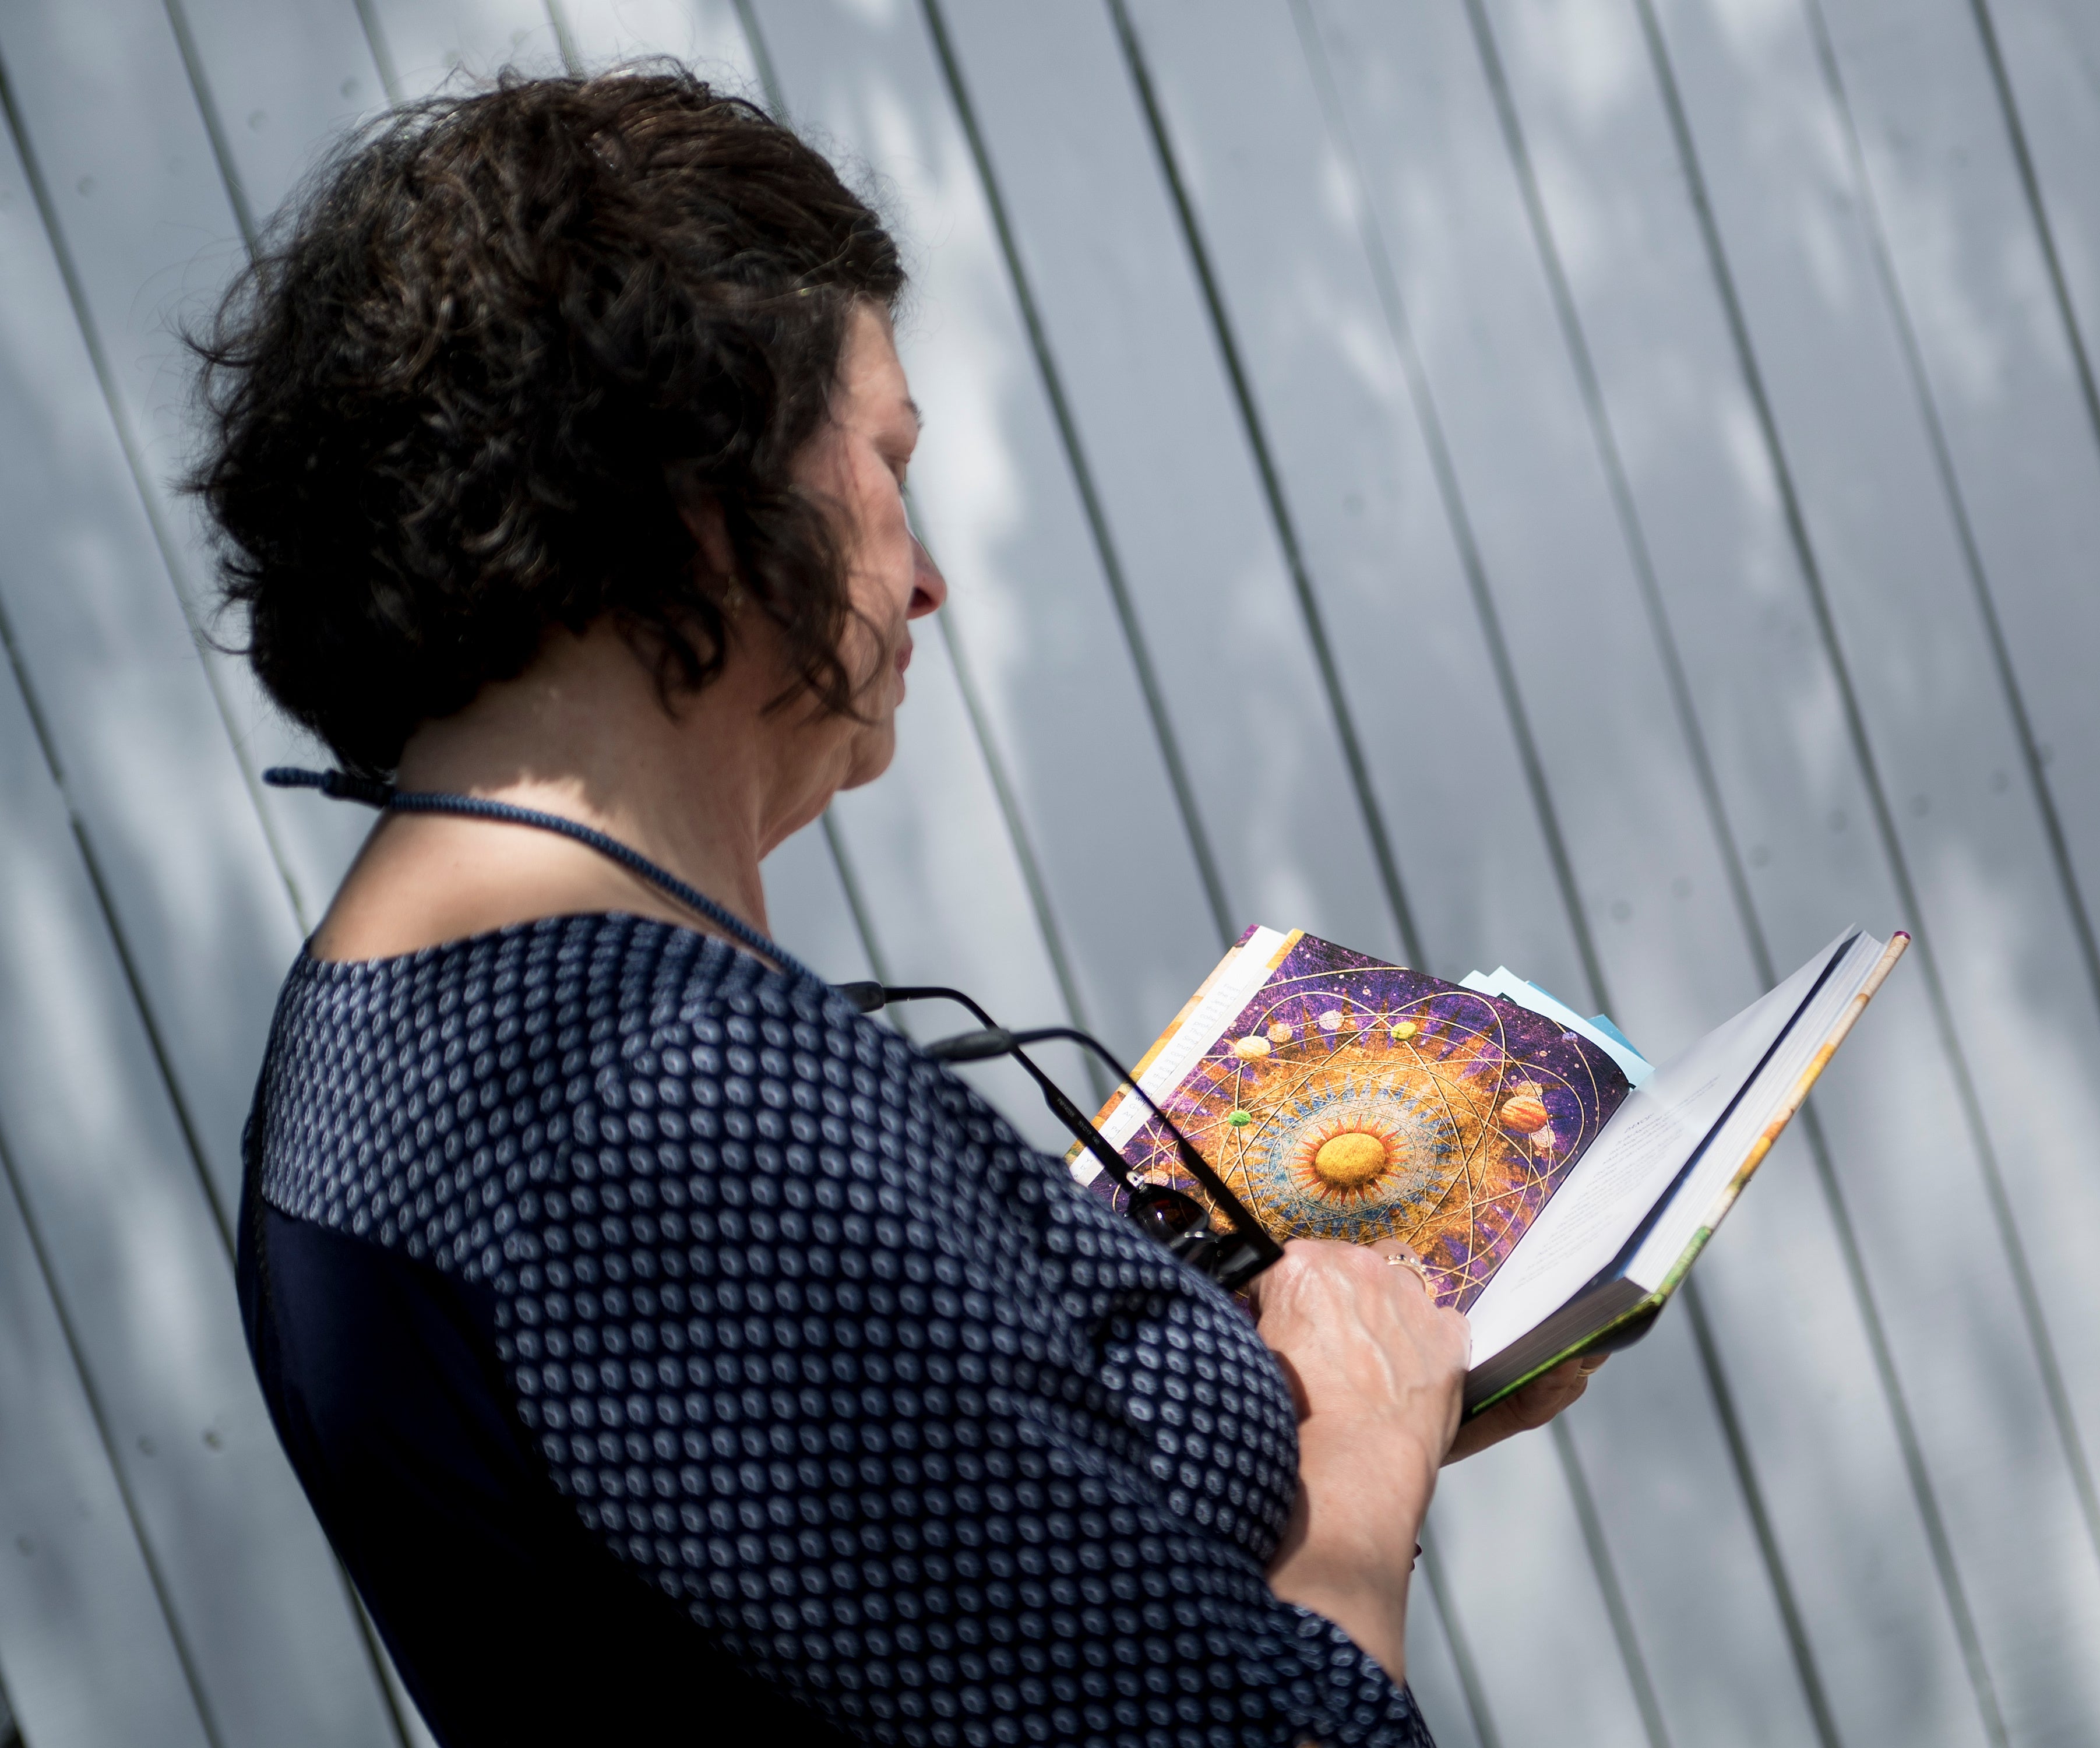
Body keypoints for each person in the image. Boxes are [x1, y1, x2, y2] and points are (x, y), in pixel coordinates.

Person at [192, 69, 1595, 1747]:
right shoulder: (672, 1103)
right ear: (705, 502)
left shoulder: (383, 1003)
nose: (924, 571)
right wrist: (1358, 1489)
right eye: (882, 457)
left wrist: (1287, 1408)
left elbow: (890, 1572)